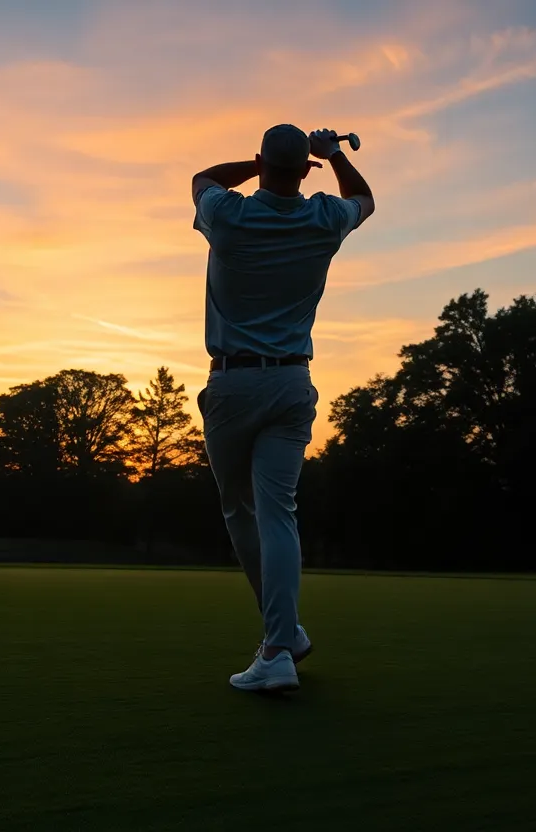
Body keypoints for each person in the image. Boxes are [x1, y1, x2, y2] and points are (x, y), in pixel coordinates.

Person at [191, 124, 375, 692]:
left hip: (233, 383)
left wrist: (259, 164)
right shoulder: (323, 219)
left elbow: (202, 179)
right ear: (304, 171)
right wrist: (334, 154)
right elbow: (364, 200)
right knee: (278, 514)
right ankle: (284, 638)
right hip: (293, 383)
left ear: (265, 163)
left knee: (240, 512)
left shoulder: (228, 216)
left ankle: (278, 643)